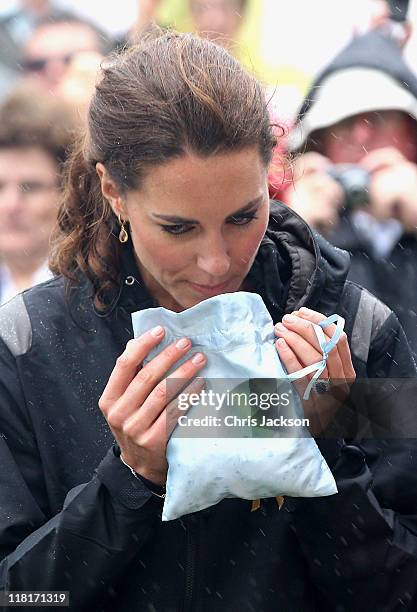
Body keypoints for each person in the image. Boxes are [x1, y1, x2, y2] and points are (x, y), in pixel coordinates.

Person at [0, 30, 416, 611]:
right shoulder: (26, 348)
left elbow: (400, 591)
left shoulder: (355, 329)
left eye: (244, 216)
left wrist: (332, 454)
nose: (217, 261)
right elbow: (21, 597)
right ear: (113, 191)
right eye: (178, 228)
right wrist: (128, 483)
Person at [284, 26, 417, 359]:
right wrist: (293, 236)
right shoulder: (291, 228)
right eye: (342, 122)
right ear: (318, 141)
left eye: (380, 117)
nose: (361, 133)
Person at [0, 85, 76, 304]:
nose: (10, 205)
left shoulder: (94, 295)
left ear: (68, 193)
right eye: (0, 187)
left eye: (30, 187)